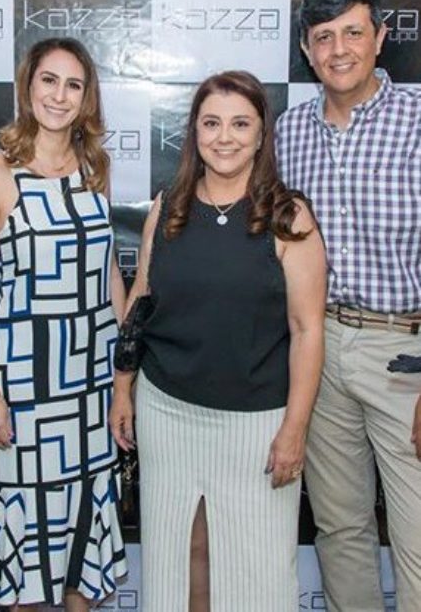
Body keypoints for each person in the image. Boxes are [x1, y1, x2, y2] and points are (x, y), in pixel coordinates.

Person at [110, 70, 326, 611]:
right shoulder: (170, 207)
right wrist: (122, 387)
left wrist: (295, 428)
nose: (224, 137)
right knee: (181, 555)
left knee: (256, 565)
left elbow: (307, 331)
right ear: (194, 132)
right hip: (168, 413)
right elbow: (140, 302)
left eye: (239, 124)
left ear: (261, 134)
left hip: (257, 424)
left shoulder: (288, 216)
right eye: (211, 123)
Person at [0, 37, 127, 611]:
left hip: (93, 380)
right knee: (27, 532)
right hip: (26, 384)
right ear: (27, 86)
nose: (60, 96)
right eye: (49, 81)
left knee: (85, 532)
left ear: (87, 97)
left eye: (73, 84)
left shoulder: (95, 167)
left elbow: (110, 273)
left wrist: (124, 376)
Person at [275, 0, 421, 612]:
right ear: (307, 51)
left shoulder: (417, 121)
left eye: (353, 33)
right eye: (324, 37)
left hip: (405, 356)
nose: (339, 50)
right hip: (319, 348)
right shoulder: (288, 132)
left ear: (381, 38)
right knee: (340, 530)